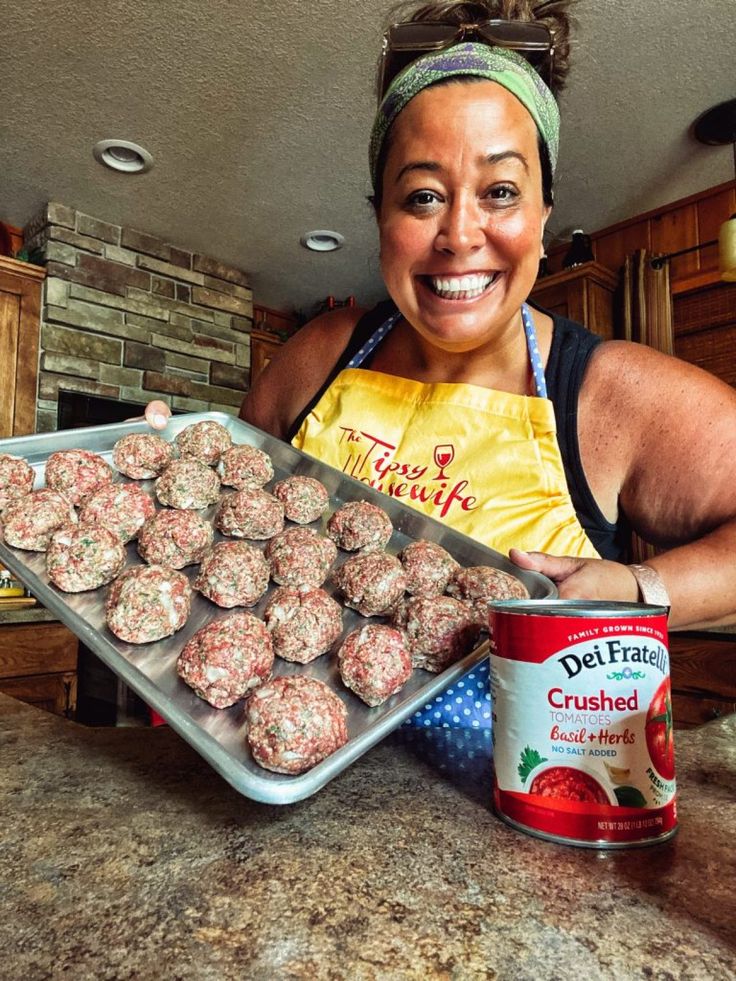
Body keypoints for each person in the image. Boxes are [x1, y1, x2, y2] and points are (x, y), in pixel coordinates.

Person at [146, 0, 736, 726]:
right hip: (280, 797)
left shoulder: (612, 394)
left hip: (517, 817)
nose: (459, 234)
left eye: (500, 192)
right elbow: (226, 524)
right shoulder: (318, 355)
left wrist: (641, 587)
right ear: (380, 217)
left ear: (545, 212)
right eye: (422, 195)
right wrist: (156, 480)